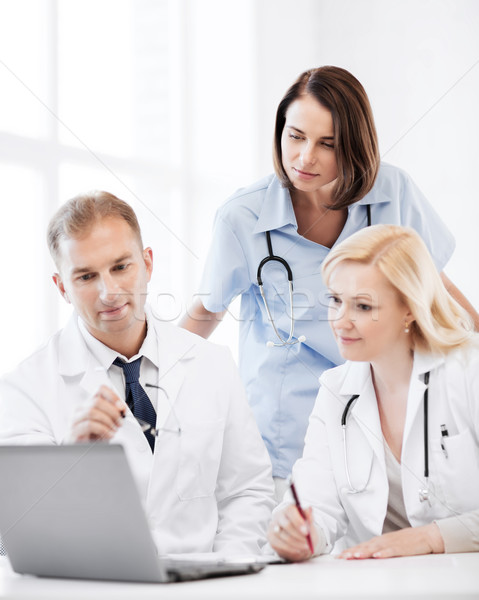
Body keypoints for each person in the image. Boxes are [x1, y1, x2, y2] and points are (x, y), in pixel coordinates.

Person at [180, 66, 479, 500]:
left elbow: (435, 289)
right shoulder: (241, 217)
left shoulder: (394, 192)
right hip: (288, 441)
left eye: (328, 144)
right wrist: (152, 386)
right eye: (295, 136)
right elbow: (204, 314)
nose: (305, 158)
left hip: (390, 427)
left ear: (355, 145)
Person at [0, 191, 275, 556]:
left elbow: (247, 491)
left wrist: (226, 568)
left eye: (120, 267)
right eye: (85, 276)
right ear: (62, 287)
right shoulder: (26, 388)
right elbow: (19, 531)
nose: (109, 292)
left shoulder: (212, 363)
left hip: (207, 585)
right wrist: (71, 459)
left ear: (147, 263)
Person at [268, 224, 479, 560]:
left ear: (410, 308)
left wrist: (431, 538)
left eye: (362, 307)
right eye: (335, 300)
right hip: (373, 584)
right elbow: (315, 506)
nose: (340, 320)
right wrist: (298, 533)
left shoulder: (468, 372)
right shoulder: (336, 392)